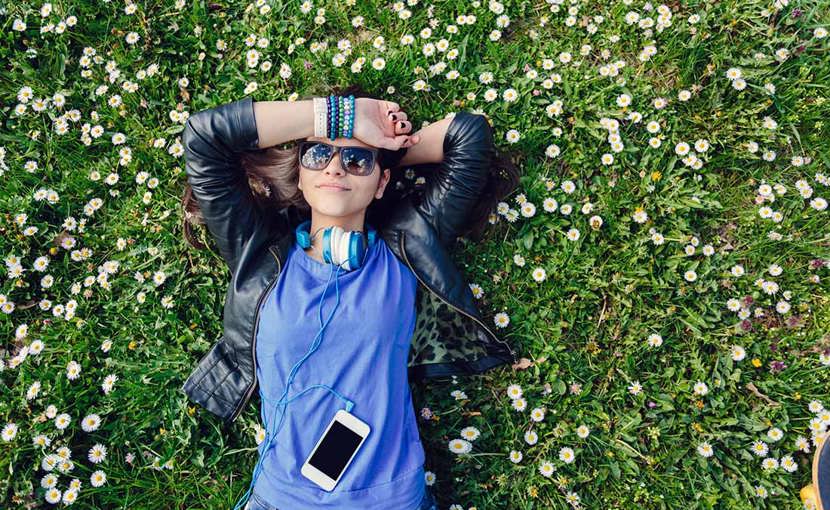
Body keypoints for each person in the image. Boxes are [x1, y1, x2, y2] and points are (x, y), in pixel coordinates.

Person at [179, 84, 521, 510]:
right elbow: (203, 136)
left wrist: (383, 153)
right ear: (299, 175)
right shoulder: (259, 258)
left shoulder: (407, 250)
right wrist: (342, 118)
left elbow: (468, 134)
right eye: (318, 155)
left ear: (381, 185)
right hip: (280, 500)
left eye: (355, 160)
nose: (335, 168)